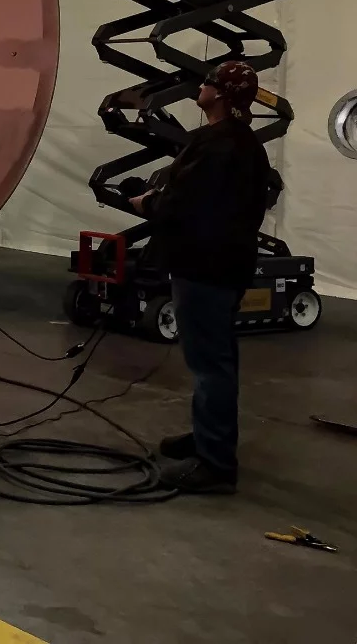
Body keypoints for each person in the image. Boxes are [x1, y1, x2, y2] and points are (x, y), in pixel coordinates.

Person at [129, 60, 270, 494]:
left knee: (210, 365)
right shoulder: (248, 145)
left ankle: (214, 464)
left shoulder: (215, 145)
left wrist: (145, 204)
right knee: (215, 359)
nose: (201, 87)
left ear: (222, 95)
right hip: (226, 266)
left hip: (204, 268)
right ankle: (207, 436)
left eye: (208, 82)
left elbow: (183, 207)